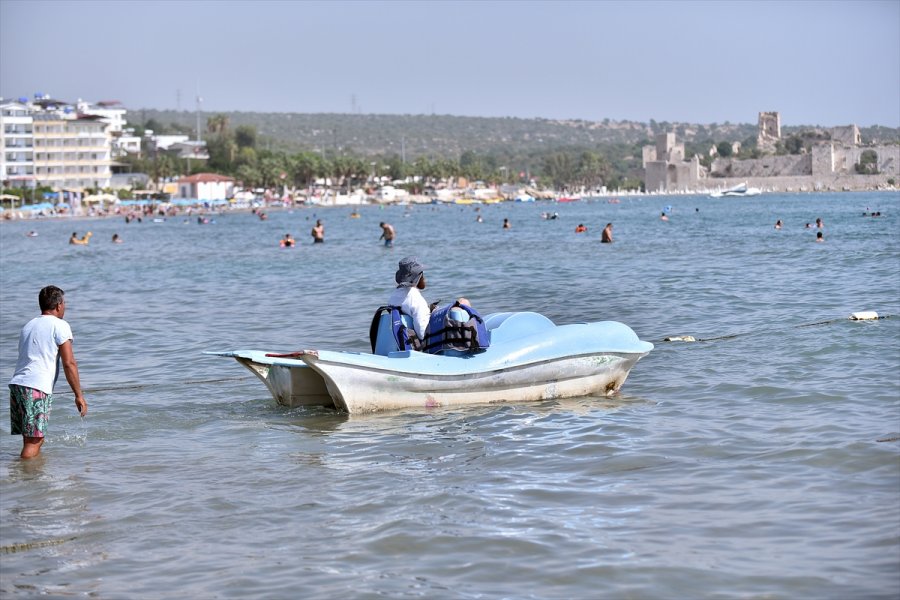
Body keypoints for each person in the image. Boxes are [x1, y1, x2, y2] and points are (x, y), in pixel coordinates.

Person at [8, 286, 87, 459]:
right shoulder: (60, 325)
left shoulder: (29, 325)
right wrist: (78, 395)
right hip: (35, 387)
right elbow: (69, 363)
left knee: (30, 439)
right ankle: (27, 480)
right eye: (64, 303)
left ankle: (27, 478)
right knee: (34, 441)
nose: (64, 307)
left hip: (18, 385)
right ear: (58, 305)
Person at [387, 257, 432, 343]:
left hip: (396, 343)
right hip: (410, 346)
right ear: (418, 276)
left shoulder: (393, 295)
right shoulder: (415, 298)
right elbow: (422, 333)